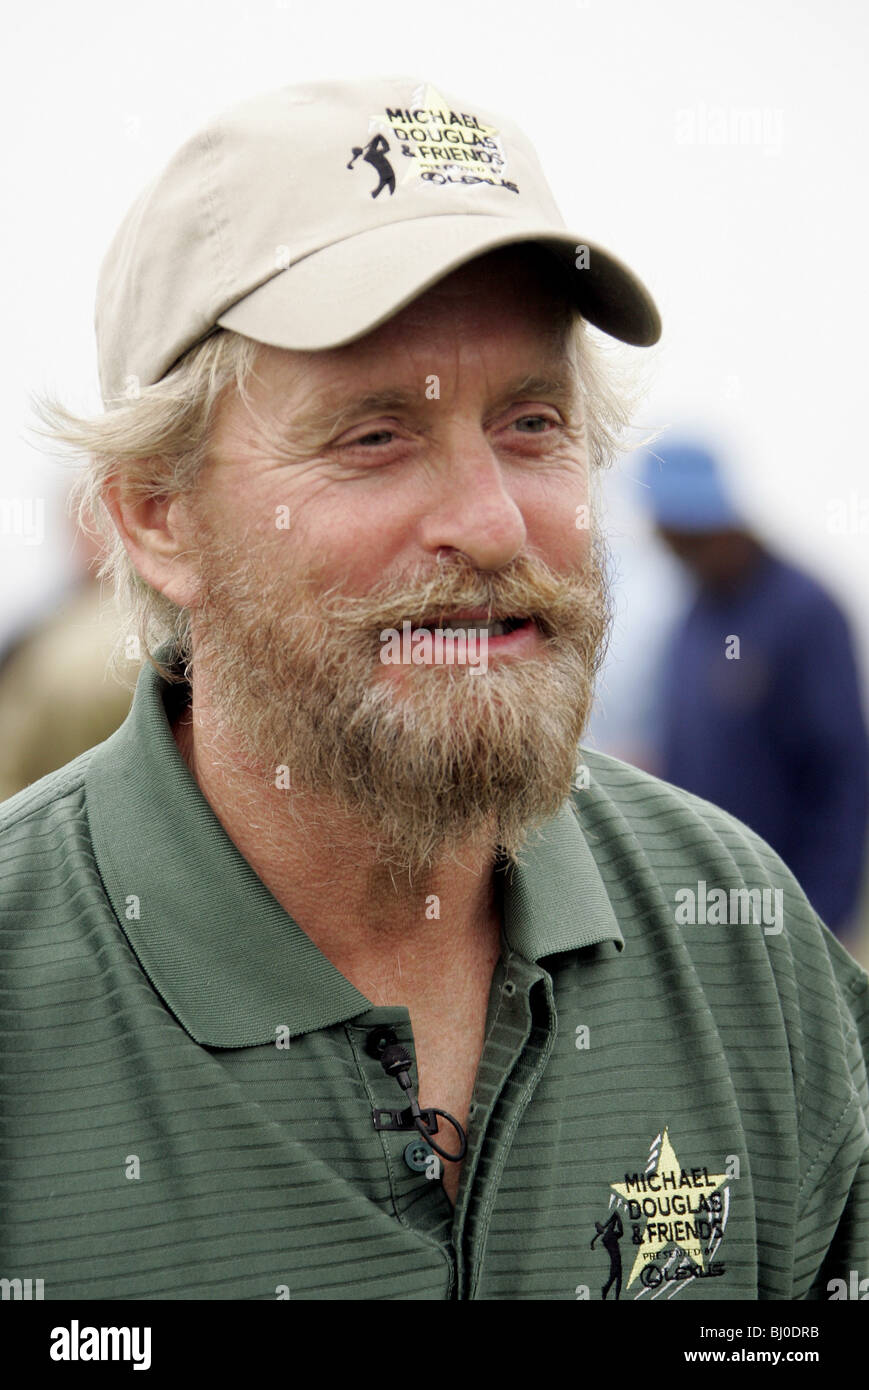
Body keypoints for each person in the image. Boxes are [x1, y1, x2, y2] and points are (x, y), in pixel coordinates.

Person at [1, 78, 866, 1302]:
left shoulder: (741, 946)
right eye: (373, 436)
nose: (491, 520)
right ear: (159, 513)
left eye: (530, 421)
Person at [643, 442, 869, 940]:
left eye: (686, 540)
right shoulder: (692, 624)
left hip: (797, 918)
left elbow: (843, 776)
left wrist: (820, 927)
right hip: (710, 917)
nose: (678, 555)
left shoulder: (807, 613)